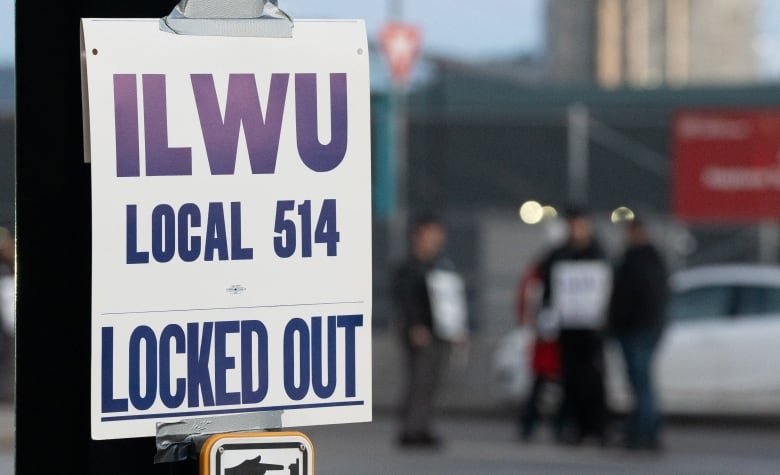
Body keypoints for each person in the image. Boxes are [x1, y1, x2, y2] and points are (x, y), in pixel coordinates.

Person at [390, 213, 469, 449]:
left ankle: (423, 426)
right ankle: (410, 427)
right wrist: (414, 325)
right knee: (418, 381)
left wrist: (457, 326)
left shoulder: (442, 265)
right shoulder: (409, 267)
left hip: (441, 331)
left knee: (433, 382)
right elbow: (405, 300)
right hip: (420, 332)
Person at [536, 206, 612, 446]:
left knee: (594, 378)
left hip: (592, 328)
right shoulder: (560, 254)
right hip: (568, 326)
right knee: (570, 379)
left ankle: (597, 427)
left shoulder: (598, 253)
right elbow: (544, 277)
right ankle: (574, 427)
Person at [607, 217, 669, 451]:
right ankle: (647, 429)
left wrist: (617, 324)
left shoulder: (634, 261)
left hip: (635, 329)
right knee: (643, 383)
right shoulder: (654, 260)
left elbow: (626, 299)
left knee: (640, 383)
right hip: (647, 328)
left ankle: (642, 431)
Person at [515, 260, 564, 442]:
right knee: (542, 384)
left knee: (546, 386)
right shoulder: (539, 277)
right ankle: (538, 425)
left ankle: (540, 425)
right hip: (544, 340)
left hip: (557, 340)